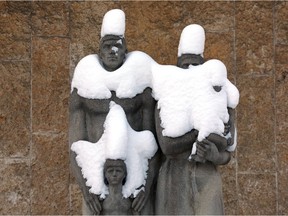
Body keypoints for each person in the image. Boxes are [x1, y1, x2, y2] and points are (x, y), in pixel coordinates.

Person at [69, 9, 159, 215]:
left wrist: (145, 184)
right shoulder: (84, 81)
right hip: (95, 180)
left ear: (125, 51)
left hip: (137, 180)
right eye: (107, 46)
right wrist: (87, 188)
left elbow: (151, 142)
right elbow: (74, 143)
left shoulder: (140, 80)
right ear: (99, 52)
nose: (112, 51)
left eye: (117, 46)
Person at [155, 24, 237, 215]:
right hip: (174, 179)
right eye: (185, 65)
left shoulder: (219, 95)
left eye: (195, 65)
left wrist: (214, 155)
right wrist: (196, 135)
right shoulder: (165, 94)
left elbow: (228, 147)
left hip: (206, 178)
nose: (191, 71)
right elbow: (166, 145)